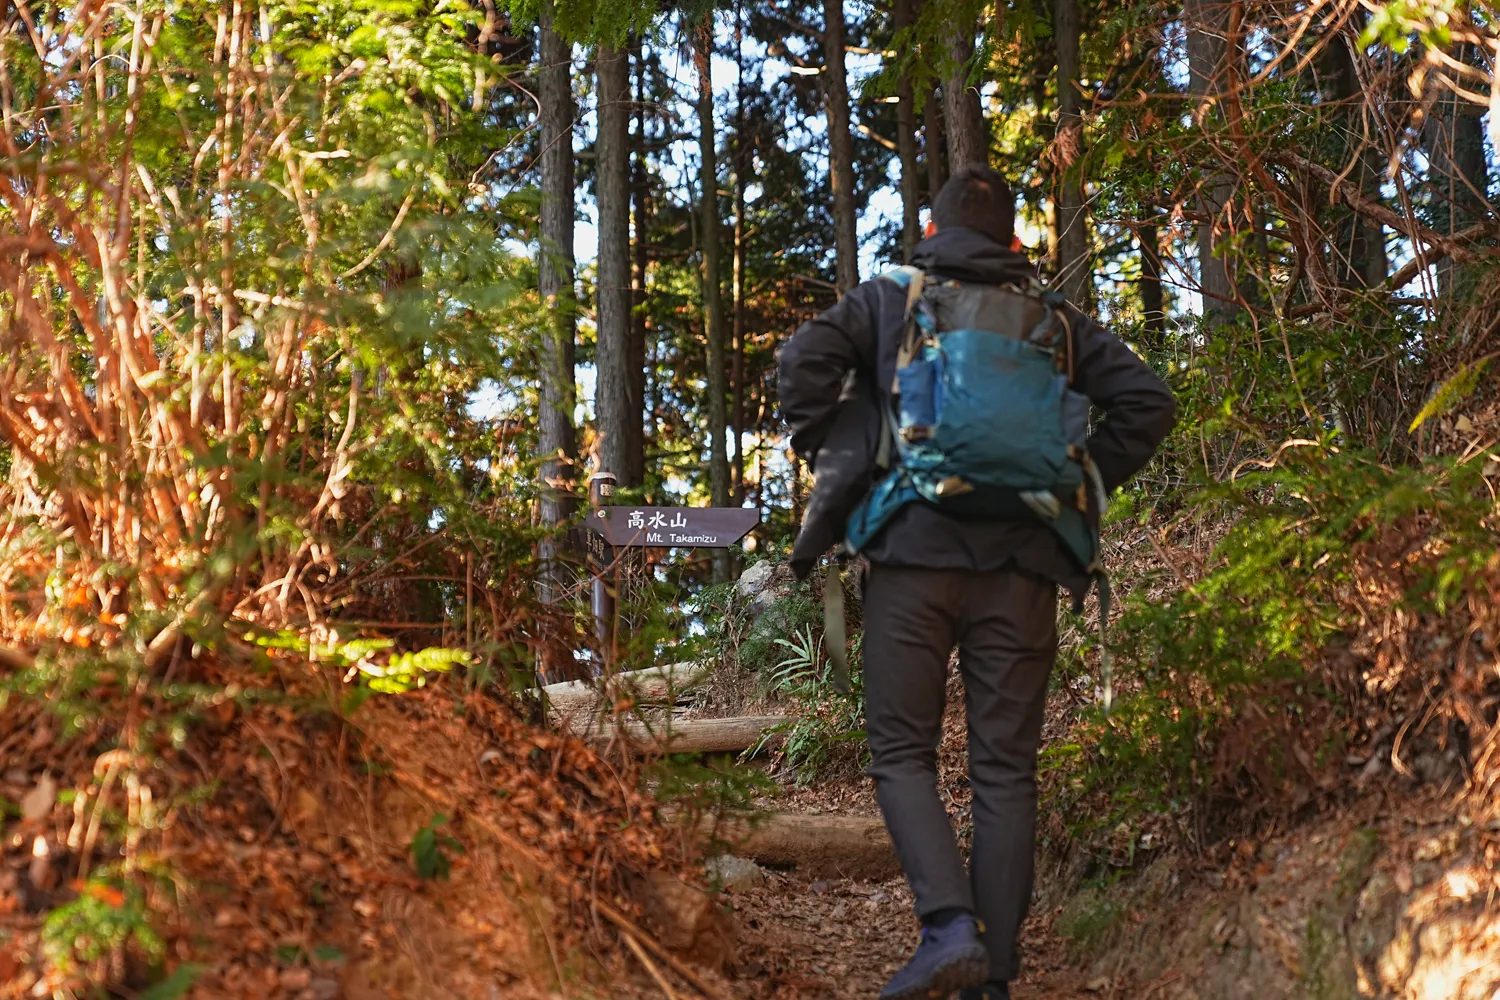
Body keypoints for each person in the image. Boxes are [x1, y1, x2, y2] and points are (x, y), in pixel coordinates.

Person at [777, 165, 1176, 999]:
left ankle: (947, 930)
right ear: (1013, 244)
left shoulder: (894, 295)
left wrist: (844, 442)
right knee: (1005, 770)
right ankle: (992, 978)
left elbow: (804, 357)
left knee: (900, 753)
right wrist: (1081, 481)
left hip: (912, 556)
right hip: (1025, 568)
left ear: (932, 232)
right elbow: (1147, 400)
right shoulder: (1056, 320)